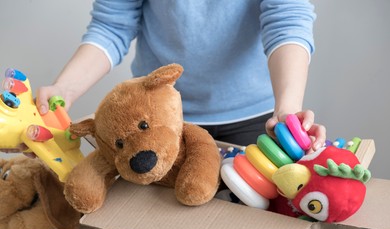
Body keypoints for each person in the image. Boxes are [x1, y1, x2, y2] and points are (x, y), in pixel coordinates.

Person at [18, 0, 328, 151]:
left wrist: (287, 109)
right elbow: (112, 26)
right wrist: (65, 88)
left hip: (257, 118)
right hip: (158, 116)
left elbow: (287, 21)